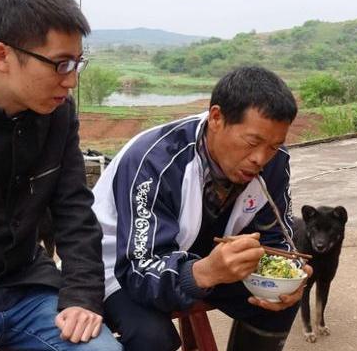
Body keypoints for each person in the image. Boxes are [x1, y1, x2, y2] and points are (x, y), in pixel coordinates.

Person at [0, 0, 122, 351]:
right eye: (60, 64)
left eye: (77, 63)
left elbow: (74, 213)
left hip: (27, 290)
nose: (70, 81)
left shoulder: (58, 115)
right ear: (2, 55)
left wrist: (82, 296)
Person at [92, 66, 312, 351]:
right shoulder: (155, 161)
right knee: (153, 338)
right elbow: (139, 269)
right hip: (120, 262)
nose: (261, 158)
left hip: (203, 255)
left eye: (274, 146)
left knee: (276, 302)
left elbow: (276, 241)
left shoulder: (274, 163)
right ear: (217, 118)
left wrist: (288, 278)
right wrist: (204, 272)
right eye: (252, 142)